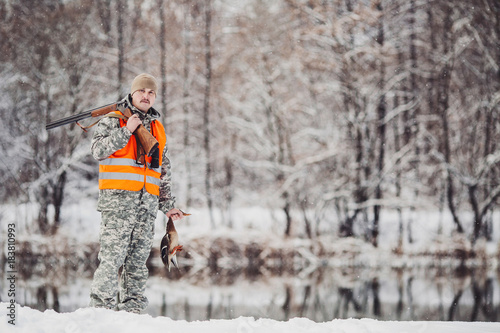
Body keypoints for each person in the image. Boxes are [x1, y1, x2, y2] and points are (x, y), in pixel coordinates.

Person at [89, 73, 185, 313]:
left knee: (137, 264)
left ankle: (133, 314)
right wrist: (126, 131)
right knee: (111, 261)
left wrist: (168, 204)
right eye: (142, 91)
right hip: (118, 206)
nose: (146, 95)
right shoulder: (114, 120)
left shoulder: (157, 128)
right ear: (132, 94)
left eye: (151, 92)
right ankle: (100, 313)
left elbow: (162, 170)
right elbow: (97, 150)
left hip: (147, 207)